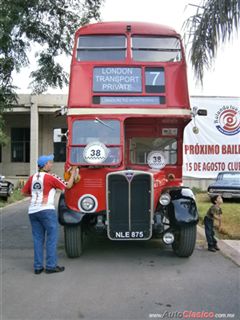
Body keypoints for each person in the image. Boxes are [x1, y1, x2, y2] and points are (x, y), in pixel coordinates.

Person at [22, 154, 78, 274]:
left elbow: (24, 193)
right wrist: (73, 173)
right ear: (45, 165)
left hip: (33, 211)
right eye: (50, 162)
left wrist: (37, 195)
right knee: (51, 238)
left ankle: (38, 267)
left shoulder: (32, 178)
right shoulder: (50, 177)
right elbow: (67, 185)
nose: (51, 164)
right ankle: (51, 266)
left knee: (38, 239)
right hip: (46, 210)